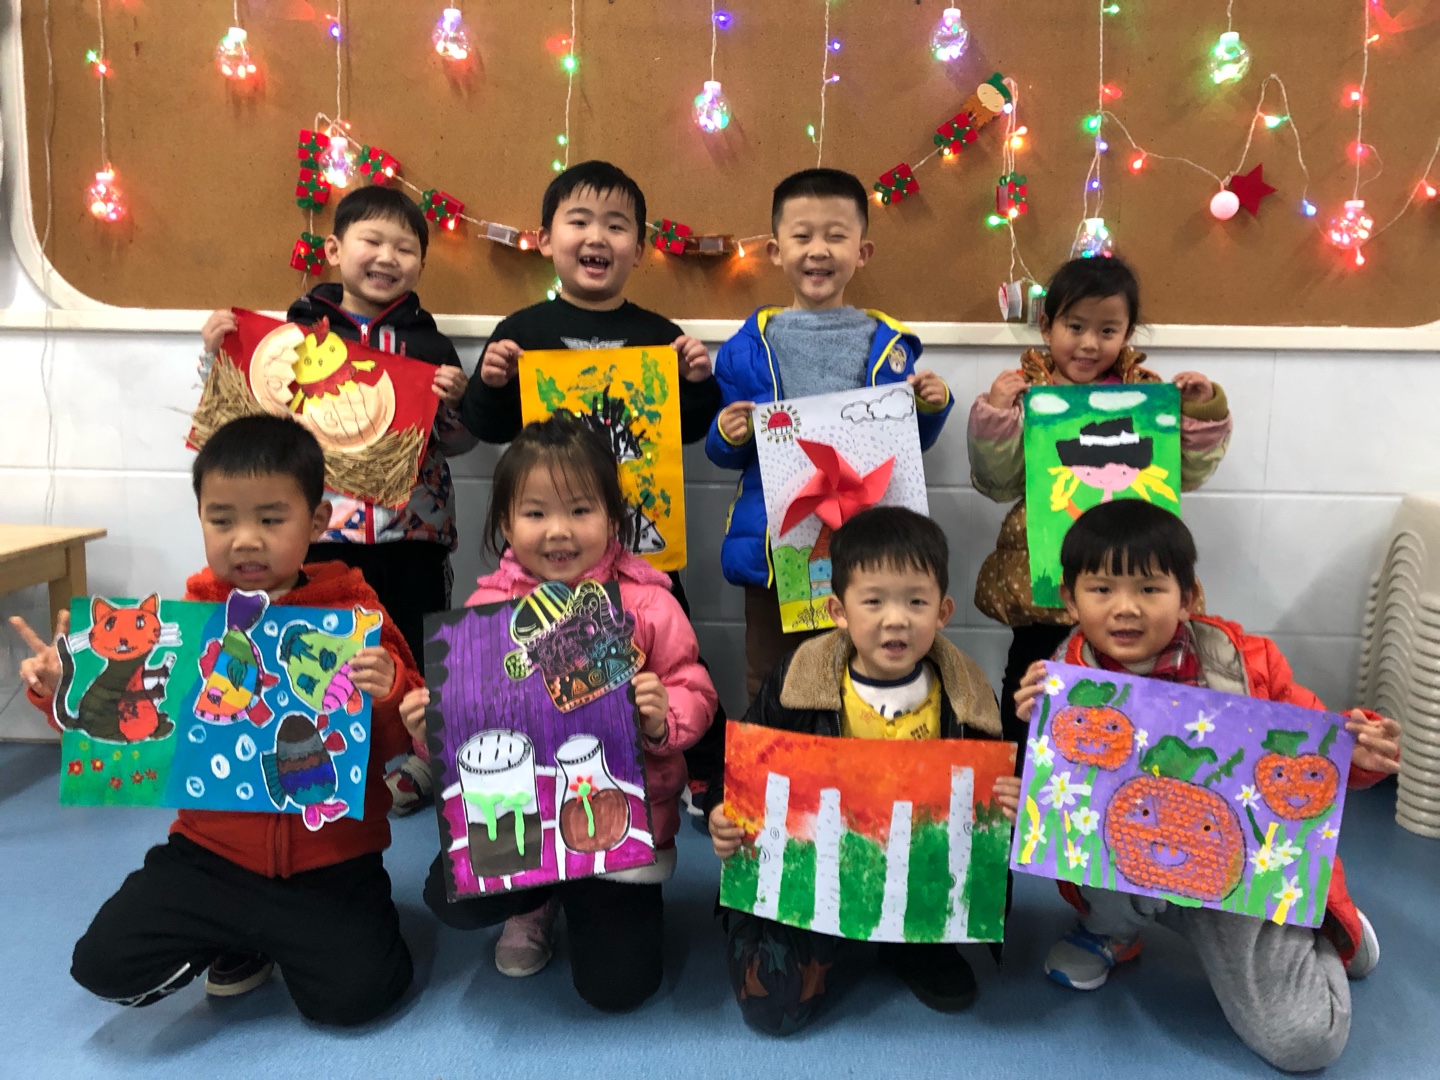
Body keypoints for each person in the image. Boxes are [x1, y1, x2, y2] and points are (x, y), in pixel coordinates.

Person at [11, 414, 422, 1024]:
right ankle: (238, 940)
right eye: (222, 520)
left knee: (359, 998)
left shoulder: (355, 614)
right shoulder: (187, 622)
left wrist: (391, 693)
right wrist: (57, 688)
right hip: (209, 855)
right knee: (101, 966)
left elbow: (396, 741)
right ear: (200, 517)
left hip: (330, 862)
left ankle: (277, 936)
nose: (245, 540)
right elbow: (129, 728)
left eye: (271, 520)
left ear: (317, 521)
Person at [1013, 499, 1401, 1073]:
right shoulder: (1062, 679)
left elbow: (1313, 748)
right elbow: (1060, 808)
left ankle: (1324, 925)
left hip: (1239, 875)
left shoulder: (1247, 662)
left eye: (1149, 588)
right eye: (1102, 589)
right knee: (1099, 851)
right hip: (1135, 862)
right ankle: (1113, 930)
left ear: (1189, 596)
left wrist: (1357, 754)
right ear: (1070, 600)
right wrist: (1035, 736)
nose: (1125, 608)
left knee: (1305, 1042)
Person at [407, 414, 718, 1009]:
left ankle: (598, 901)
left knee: (619, 989)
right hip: (522, 818)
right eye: (535, 513)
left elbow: (696, 691)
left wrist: (662, 718)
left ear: (613, 518)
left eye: (580, 510)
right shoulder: (485, 609)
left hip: (623, 825)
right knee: (449, 897)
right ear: (506, 523)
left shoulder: (647, 603)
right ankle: (534, 901)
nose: (558, 531)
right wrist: (429, 732)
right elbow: (467, 727)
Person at [456, 158, 727, 829]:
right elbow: (486, 426)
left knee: (668, 655)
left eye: (616, 225)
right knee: (534, 672)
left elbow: (690, 430)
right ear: (546, 238)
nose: (597, 236)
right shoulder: (521, 331)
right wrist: (490, 381)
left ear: (639, 246)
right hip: (549, 556)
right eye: (578, 221)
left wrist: (699, 382)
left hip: (642, 550)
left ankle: (698, 776)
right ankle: (547, 792)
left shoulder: (660, 334)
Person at [200, 185, 476, 817]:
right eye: (371, 241)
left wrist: (457, 404)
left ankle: (421, 757)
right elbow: (248, 418)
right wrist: (216, 358)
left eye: (405, 248)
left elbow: (457, 444)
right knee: (319, 643)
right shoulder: (292, 335)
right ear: (333, 249)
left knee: (415, 639)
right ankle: (321, 748)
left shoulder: (431, 346)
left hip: (413, 531)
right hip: (322, 530)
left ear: (421, 264)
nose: (387, 257)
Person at [706, 507, 1020, 1034]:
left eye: (916, 602)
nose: (896, 619)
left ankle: (910, 946)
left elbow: (989, 811)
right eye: (873, 601)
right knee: (772, 1009)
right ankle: (781, 929)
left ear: (943, 612)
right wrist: (722, 809)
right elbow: (743, 769)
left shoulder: (968, 697)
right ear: (839, 610)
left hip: (916, 878)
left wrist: (1009, 802)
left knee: (953, 973)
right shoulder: (797, 681)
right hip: (818, 876)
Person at [705, 168, 954, 705]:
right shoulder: (745, 348)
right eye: (802, 236)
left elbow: (907, 443)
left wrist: (931, 408)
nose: (818, 250)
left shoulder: (889, 345)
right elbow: (724, 453)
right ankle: (769, 755)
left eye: (836, 236)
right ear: (775, 251)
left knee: (864, 675)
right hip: (777, 547)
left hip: (869, 544)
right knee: (771, 677)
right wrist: (727, 434)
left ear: (862, 253)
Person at [969, 255, 1232, 760]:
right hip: (1044, 585)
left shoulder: (1149, 394)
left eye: (1107, 330)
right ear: (1047, 326)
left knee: (1134, 693)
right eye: (1075, 327)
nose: (1089, 343)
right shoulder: (1029, 394)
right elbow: (996, 482)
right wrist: (999, 415)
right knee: (1032, 687)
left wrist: (1203, 412)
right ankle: (1025, 777)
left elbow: (1189, 473)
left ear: (1128, 333)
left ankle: (1126, 778)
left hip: (1129, 577)